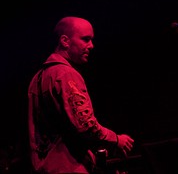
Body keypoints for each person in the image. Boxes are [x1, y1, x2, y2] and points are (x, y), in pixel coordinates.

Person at [28, 16, 134, 174]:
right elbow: (86, 126)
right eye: (86, 39)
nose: (91, 46)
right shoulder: (65, 74)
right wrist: (117, 140)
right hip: (68, 168)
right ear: (65, 41)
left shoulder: (38, 78)